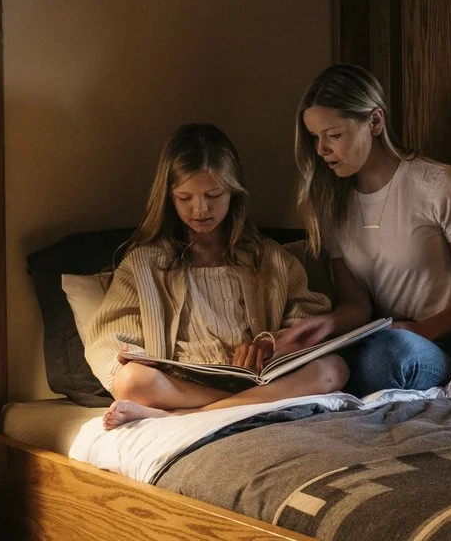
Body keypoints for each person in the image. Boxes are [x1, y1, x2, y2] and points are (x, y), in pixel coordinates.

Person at [88, 122, 344, 427]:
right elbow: (110, 340)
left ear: (234, 193)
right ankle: (230, 407)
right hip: (184, 385)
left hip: (257, 380)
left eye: (214, 194)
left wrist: (269, 343)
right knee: (132, 382)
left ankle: (192, 416)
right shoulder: (143, 264)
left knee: (333, 369)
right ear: (169, 197)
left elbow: (308, 324)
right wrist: (137, 355)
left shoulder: (271, 258)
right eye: (185, 198)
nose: (201, 209)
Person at [278, 64, 451, 394]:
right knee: (319, 360)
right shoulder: (334, 207)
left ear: (375, 121)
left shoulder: (438, 184)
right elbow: (358, 306)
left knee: (388, 356)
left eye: (333, 135)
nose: (321, 150)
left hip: (443, 343)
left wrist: (419, 330)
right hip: (379, 337)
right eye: (315, 138)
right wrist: (325, 325)